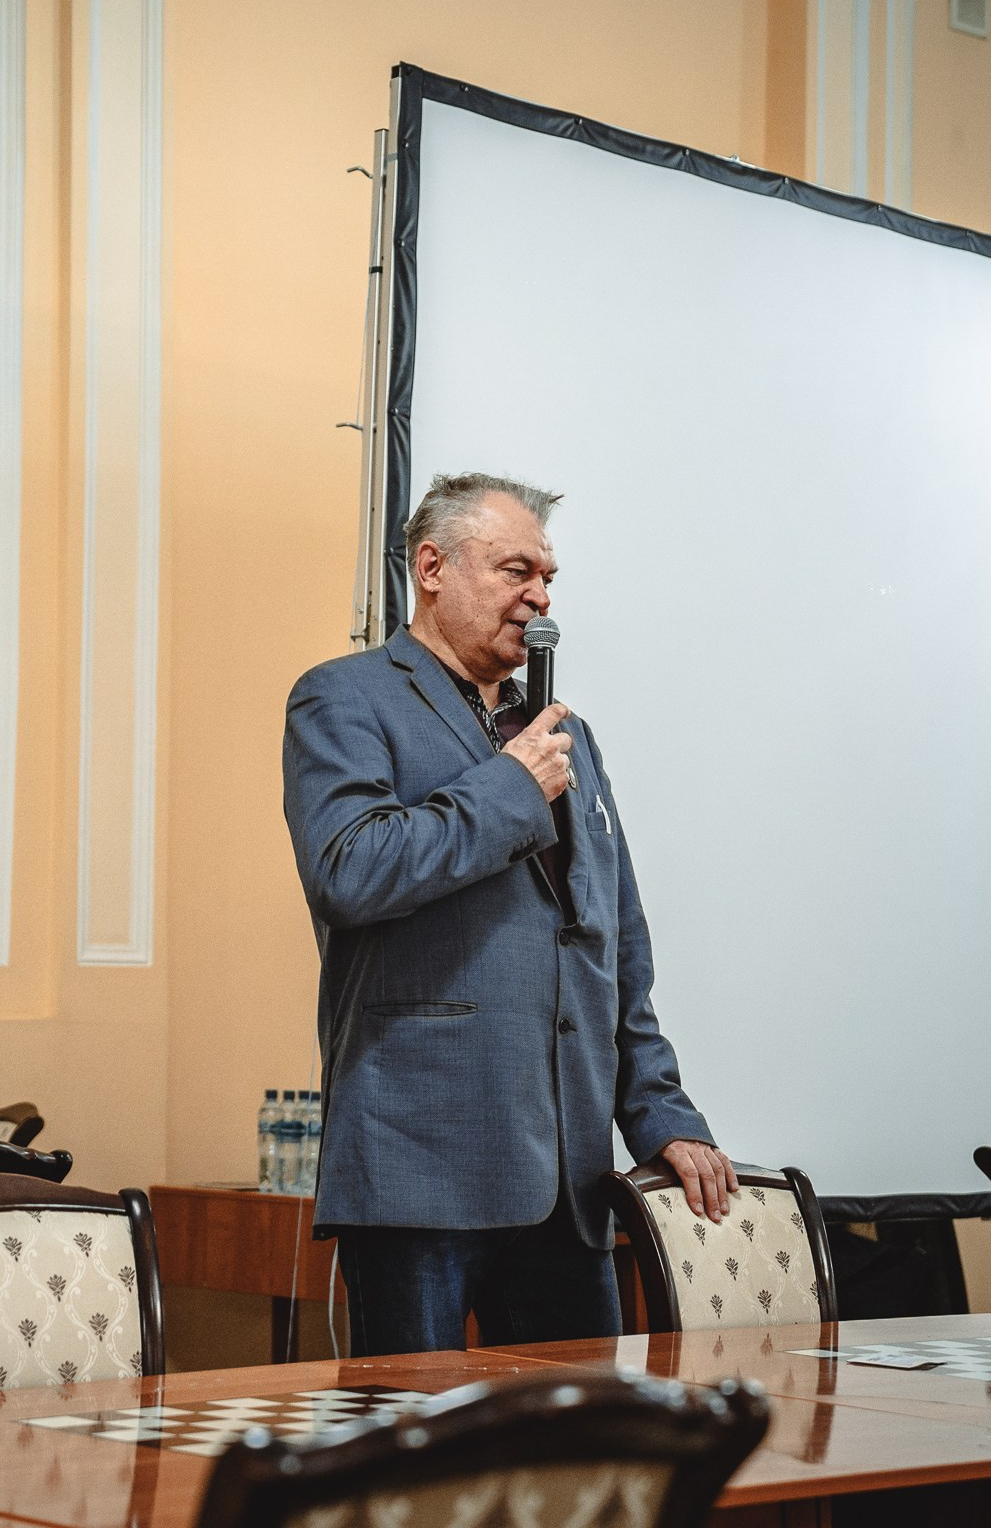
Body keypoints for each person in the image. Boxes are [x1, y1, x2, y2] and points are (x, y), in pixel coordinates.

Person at [281, 471, 733, 1354]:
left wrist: (661, 1114)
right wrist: (509, 790)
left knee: (582, 1460)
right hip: (423, 1169)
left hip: (569, 1178)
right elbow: (350, 868)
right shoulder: (344, 698)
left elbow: (613, 943)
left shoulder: (568, 736)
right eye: (515, 569)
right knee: (420, 1463)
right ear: (433, 567)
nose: (539, 595)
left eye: (549, 577)